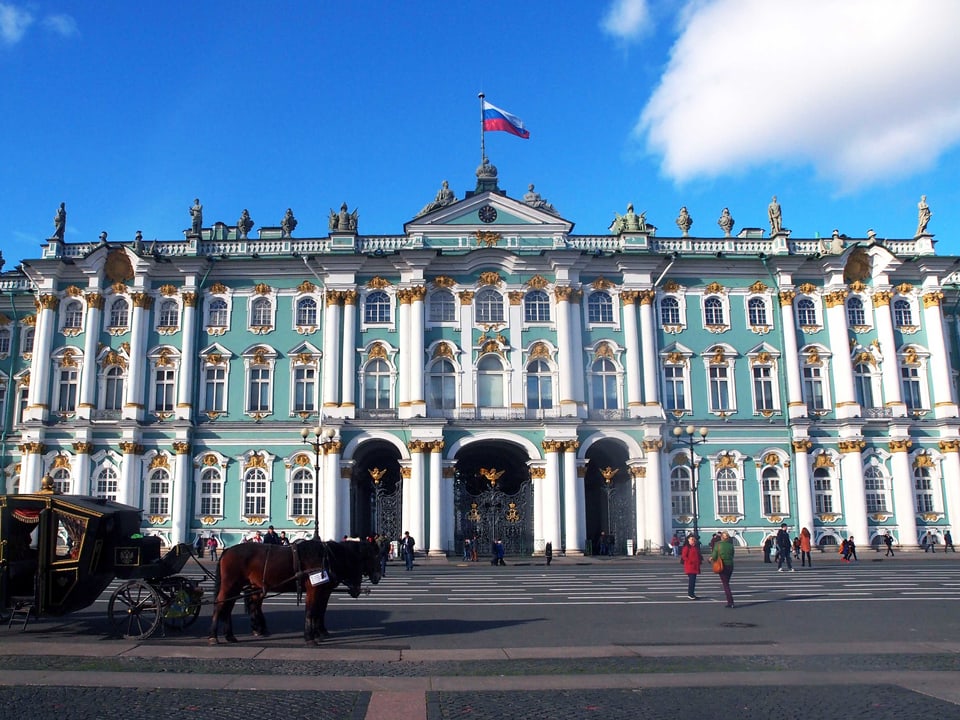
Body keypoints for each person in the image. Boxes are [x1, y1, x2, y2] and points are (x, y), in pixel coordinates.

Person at [710, 530, 736, 608]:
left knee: (726, 584)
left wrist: (711, 559)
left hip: (722, 565)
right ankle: (730, 601)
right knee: (727, 582)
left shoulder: (718, 545)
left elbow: (714, 556)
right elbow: (732, 555)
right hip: (730, 565)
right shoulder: (731, 545)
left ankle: (730, 602)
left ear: (721, 538)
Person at [681, 534, 702, 600]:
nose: (693, 541)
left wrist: (700, 560)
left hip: (695, 566)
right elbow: (684, 556)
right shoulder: (687, 547)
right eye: (692, 539)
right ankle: (690, 594)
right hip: (690, 566)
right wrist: (690, 561)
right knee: (691, 581)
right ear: (688, 540)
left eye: (694, 539)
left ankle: (692, 594)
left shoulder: (695, 547)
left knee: (693, 581)